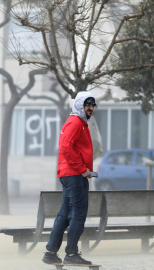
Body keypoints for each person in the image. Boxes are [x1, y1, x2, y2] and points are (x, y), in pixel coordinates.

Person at [42, 91, 96, 265]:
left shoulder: (78, 122)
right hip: (74, 175)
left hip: (69, 174)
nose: (90, 108)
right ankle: (71, 254)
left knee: (65, 214)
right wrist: (82, 169)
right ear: (79, 105)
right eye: (87, 104)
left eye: (92, 105)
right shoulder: (75, 122)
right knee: (78, 213)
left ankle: (50, 253)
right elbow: (65, 148)